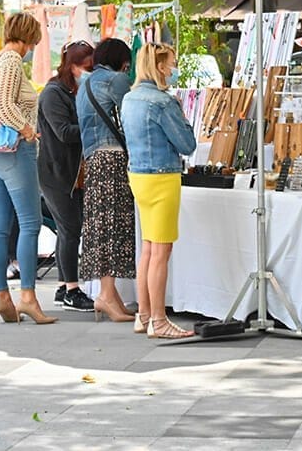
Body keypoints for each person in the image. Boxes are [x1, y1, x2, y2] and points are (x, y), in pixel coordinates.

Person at [0, 12, 55, 325]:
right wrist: (26, 128)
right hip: (14, 151)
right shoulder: (11, 61)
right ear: (27, 38)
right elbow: (3, 105)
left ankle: (2, 297)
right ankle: (28, 297)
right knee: (30, 223)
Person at [121, 42, 197, 339]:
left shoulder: (130, 99)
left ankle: (144, 315)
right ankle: (159, 320)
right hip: (163, 177)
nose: (174, 68)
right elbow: (187, 144)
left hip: (138, 175)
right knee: (161, 251)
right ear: (162, 67)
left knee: (149, 249)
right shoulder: (164, 102)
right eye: (172, 63)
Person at [76, 38, 137, 324]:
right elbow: (131, 116)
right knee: (114, 224)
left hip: (93, 160)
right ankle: (106, 294)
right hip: (113, 157)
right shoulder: (117, 80)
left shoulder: (84, 84)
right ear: (120, 60)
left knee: (101, 225)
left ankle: (109, 295)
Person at [37, 40, 95, 312]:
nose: (89, 73)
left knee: (68, 230)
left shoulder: (75, 91)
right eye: (85, 68)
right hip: (57, 173)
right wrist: (95, 127)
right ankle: (72, 289)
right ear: (71, 66)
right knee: (71, 229)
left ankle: (64, 285)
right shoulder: (52, 94)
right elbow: (62, 132)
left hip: (73, 172)